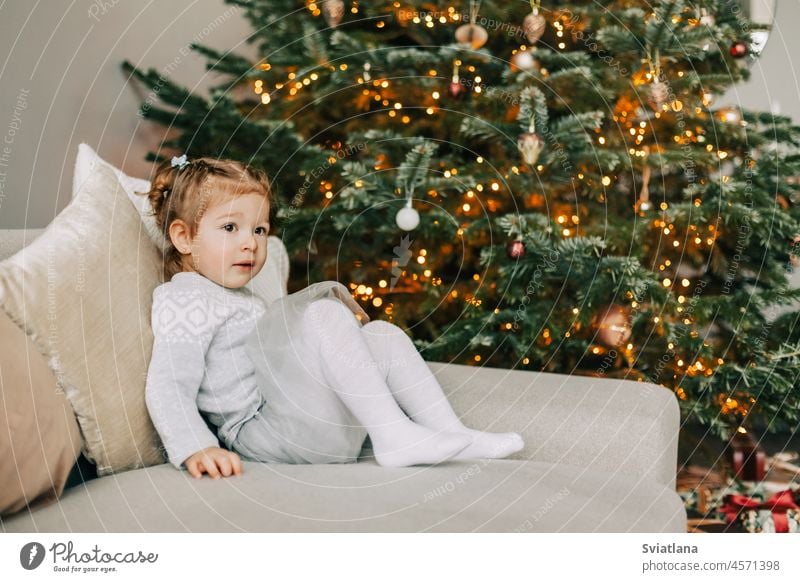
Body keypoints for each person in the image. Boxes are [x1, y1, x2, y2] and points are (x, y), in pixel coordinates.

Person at [141, 154, 524, 479]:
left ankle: (453, 433)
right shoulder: (185, 298)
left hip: (310, 420)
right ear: (184, 238)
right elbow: (168, 383)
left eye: (260, 229)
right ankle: (394, 435)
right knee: (322, 311)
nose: (251, 242)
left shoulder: (243, 295)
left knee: (382, 336)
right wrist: (196, 447)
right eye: (230, 227)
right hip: (266, 433)